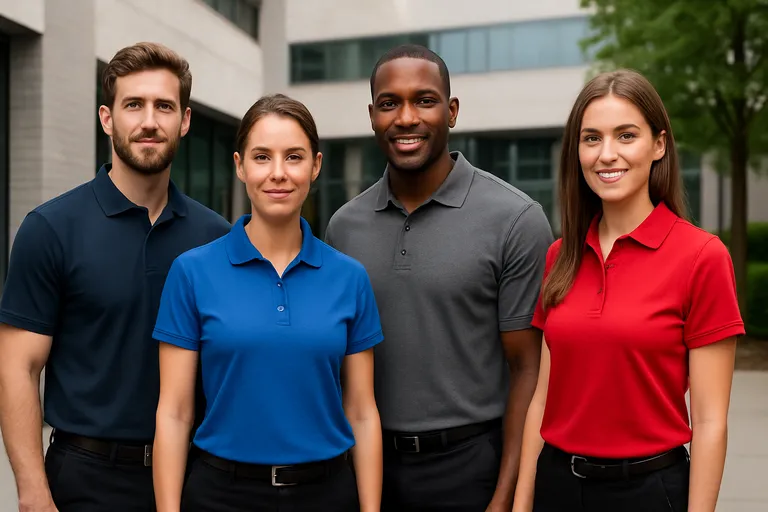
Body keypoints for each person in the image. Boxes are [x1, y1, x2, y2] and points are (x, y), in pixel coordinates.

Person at [0, 42, 231, 511]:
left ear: (184, 121)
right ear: (107, 118)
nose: (149, 121)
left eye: (164, 106)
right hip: (85, 479)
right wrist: (32, 491)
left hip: (195, 479)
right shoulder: (51, 228)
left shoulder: (218, 237)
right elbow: (17, 368)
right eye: (134, 105)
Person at [324, 44, 553, 511]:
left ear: (451, 112)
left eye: (424, 101)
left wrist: (506, 495)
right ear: (372, 116)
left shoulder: (515, 218)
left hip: (470, 469)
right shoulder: (343, 227)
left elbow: (527, 371)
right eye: (389, 103)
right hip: (368, 469)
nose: (406, 117)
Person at [512, 69, 745, 512]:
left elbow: (711, 421)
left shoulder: (702, 257)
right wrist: (523, 502)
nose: (607, 154)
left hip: (650, 492)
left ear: (659, 144)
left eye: (626, 135)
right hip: (557, 487)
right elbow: (543, 396)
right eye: (591, 138)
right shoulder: (560, 255)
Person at [151, 93, 384, 512]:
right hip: (221, 494)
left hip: (327, 495)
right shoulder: (192, 272)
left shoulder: (350, 278)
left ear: (315, 166)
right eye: (262, 157)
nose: (278, 173)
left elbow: (362, 411)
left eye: (293, 157)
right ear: (240, 166)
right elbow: (174, 412)